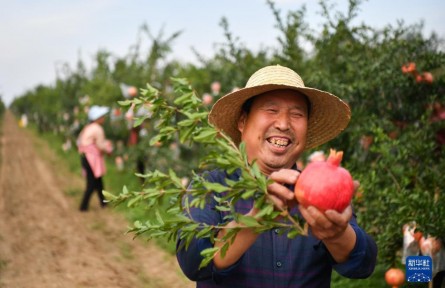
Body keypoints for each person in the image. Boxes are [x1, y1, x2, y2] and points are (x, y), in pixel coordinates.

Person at [176, 65, 377, 287]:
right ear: (242, 121)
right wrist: (256, 218)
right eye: (271, 110)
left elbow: (363, 264)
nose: (283, 124)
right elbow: (194, 261)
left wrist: (337, 234)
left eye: (297, 114)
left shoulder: (319, 189)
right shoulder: (210, 186)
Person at [77, 105, 113, 211]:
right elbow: (101, 145)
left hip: (85, 157)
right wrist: (109, 149)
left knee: (98, 181)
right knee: (92, 184)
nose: (104, 118)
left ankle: (104, 203)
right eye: (102, 116)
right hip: (91, 158)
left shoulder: (88, 127)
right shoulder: (97, 129)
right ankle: (83, 207)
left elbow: (79, 141)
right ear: (98, 118)